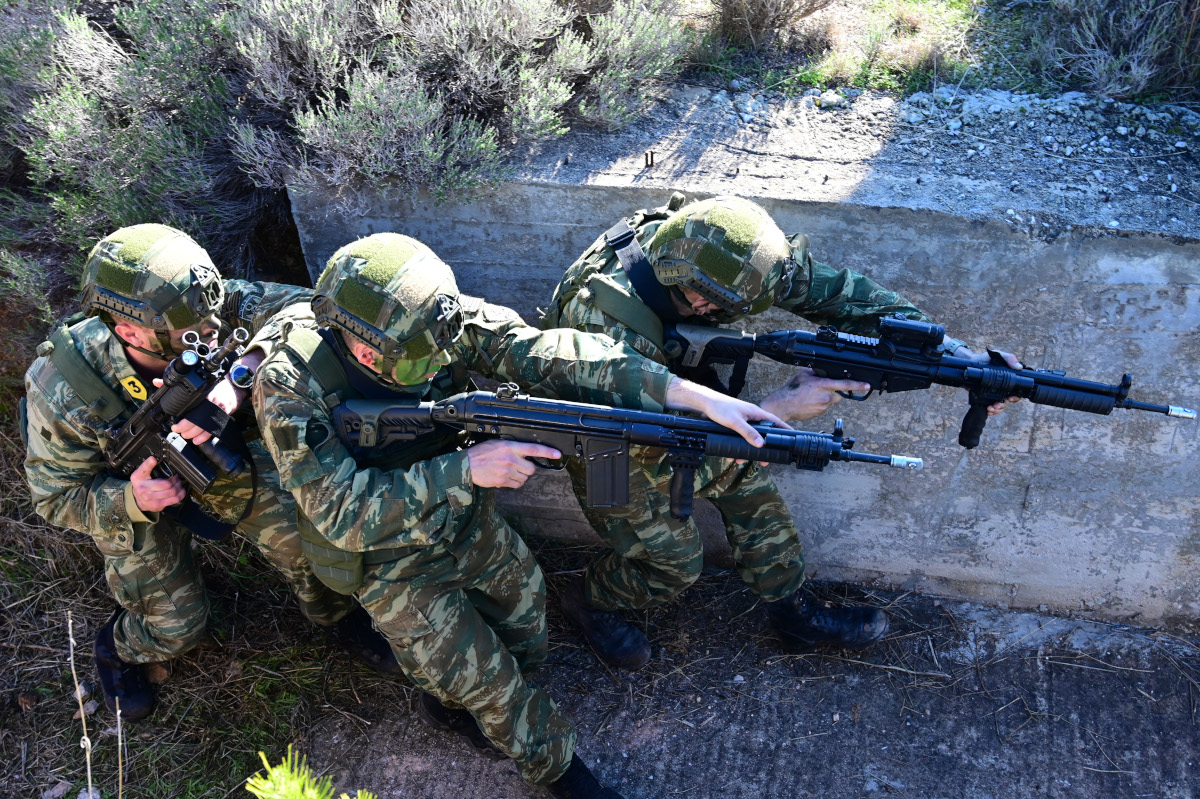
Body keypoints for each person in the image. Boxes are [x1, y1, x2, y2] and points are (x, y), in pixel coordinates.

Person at [248, 232, 781, 799]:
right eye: (407, 361)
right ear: (350, 335)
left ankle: (453, 696)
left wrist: (690, 396)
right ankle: (558, 770)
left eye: (435, 353)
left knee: (528, 630)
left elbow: (551, 352)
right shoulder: (289, 382)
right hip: (386, 558)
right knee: (493, 686)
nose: (427, 369)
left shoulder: (440, 322)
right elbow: (337, 512)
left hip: (467, 524)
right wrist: (465, 470)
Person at [541, 193, 1021, 670]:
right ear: (701, 296)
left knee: (755, 495)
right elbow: (653, 454)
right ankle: (587, 601)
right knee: (674, 565)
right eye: (724, 309)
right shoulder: (599, 331)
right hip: (609, 447)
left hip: (670, 409)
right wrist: (778, 409)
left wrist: (957, 357)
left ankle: (794, 614)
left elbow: (836, 295)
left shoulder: (710, 249)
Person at [21, 224, 395, 723]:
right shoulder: (62, 385)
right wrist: (132, 500)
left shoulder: (196, 307)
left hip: (219, 455)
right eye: (193, 333)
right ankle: (117, 647)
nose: (213, 329)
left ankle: (333, 614)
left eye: (212, 315)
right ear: (130, 330)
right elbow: (54, 498)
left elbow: (312, 309)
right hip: (130, 493)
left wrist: (244, 372)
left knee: (306, 531)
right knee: (178, 628)